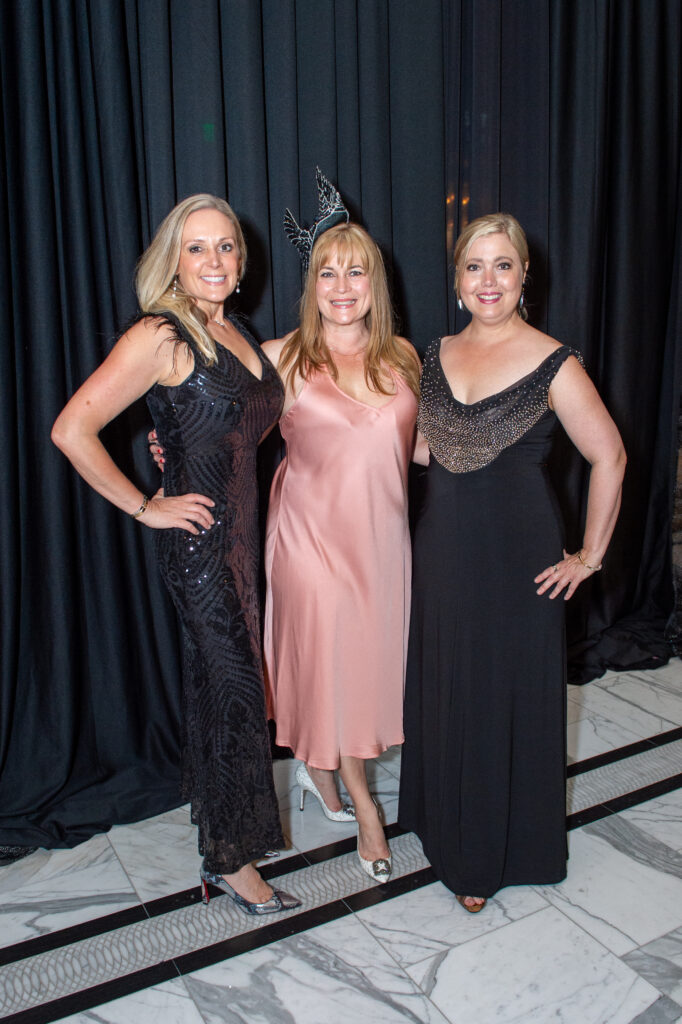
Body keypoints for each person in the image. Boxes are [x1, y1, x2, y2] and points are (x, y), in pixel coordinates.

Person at [52, 194, 300, 916]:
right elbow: (72, 429)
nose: (214, 260)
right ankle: (232, 860)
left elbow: (241, 423)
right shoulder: (162, 333)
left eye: (225, 246)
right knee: (236, 694)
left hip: (244, 540)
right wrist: (144, 505)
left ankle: (224, 833)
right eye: (197, 248)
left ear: (241, 260)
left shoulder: (235, 329)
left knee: (227, 693)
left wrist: (187, 441)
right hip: (199, 549)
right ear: (173, 261)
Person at [398, 212, 626, 912]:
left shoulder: (556, 362)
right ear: (457, 279)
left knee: (501, 697)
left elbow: (611, 457)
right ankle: (441, 823)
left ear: (526, 276)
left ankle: (488, 857)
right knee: (447, 684)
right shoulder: (432, 354)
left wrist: (588, 556)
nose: (488, 279)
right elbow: (426, 450)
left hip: (518, 555)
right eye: (475, 265)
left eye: (503, 265)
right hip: (442, 548)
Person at [262, 175, 421, 882]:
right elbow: (225, 435)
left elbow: (424, 450)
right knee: (340, 670)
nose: (342, 285)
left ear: (374, 283)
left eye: (355, 271)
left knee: (363, 670)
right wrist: (169, 447)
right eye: (327, 272)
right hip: (310, 544)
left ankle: (318, 773)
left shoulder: (404, 358)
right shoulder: (282, 357)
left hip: (382, 546)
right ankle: (366, 810)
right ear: (312, 285)